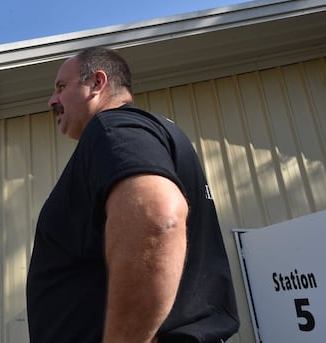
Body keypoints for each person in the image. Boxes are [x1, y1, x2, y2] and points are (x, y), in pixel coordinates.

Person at [26, 47, 239, 343]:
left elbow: (155, 215)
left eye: (61, 87)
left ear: (97, 83)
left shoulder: (111, 128)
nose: (52, 100)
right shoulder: (149, 132)